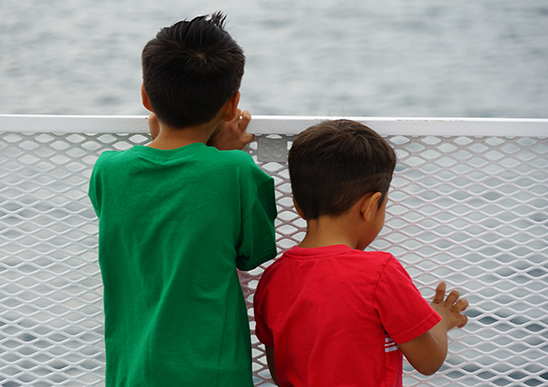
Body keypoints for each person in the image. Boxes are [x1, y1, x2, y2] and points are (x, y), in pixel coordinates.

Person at [88, 12, 277, 386]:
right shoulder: (235, 171)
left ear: (146, 95)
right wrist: (220, 153)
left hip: (132, 372)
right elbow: (254, 251)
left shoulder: (108, 171)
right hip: (212, 373)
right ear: (231, 104)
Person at [254, 119, 468, 386]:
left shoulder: (272, 279)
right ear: (370, 206)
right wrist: (441, 317)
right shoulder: (379, 273)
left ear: (298, 206)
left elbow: (280, 373)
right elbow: (428, 360)